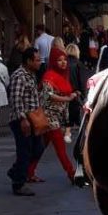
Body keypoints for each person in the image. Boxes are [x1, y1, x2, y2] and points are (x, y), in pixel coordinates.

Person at [30, 48, 78, 185]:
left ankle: (29, 171)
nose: (63, 63)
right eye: (59, 60)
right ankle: (71, 173)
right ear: (53, 61)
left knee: (41, 147)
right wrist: (67, 99)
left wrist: (73, 95)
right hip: (49, 117)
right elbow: (47, 95)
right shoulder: (49, 76)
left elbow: (66, 92)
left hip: (57, 117)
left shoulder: (64, 75)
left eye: (64, 60)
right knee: (60, 147)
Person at [7, 48, 44, 196]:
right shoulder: (19, 76)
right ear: (28, 61)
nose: (39, 62)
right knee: (24, 151)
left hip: (33, 117)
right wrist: (23, 119)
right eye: (36, 60)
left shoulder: (31, 75)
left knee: (38, 148)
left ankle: (15, 171)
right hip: (22, 119)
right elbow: (16, 99)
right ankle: (18, 184)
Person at [65, 43, 87, 141]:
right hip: (75, 92)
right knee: (75, 111)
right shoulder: (78, 64)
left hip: (64, 92)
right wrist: (83, 94)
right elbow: (82, 81)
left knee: (67, 111)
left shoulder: (63, 62)